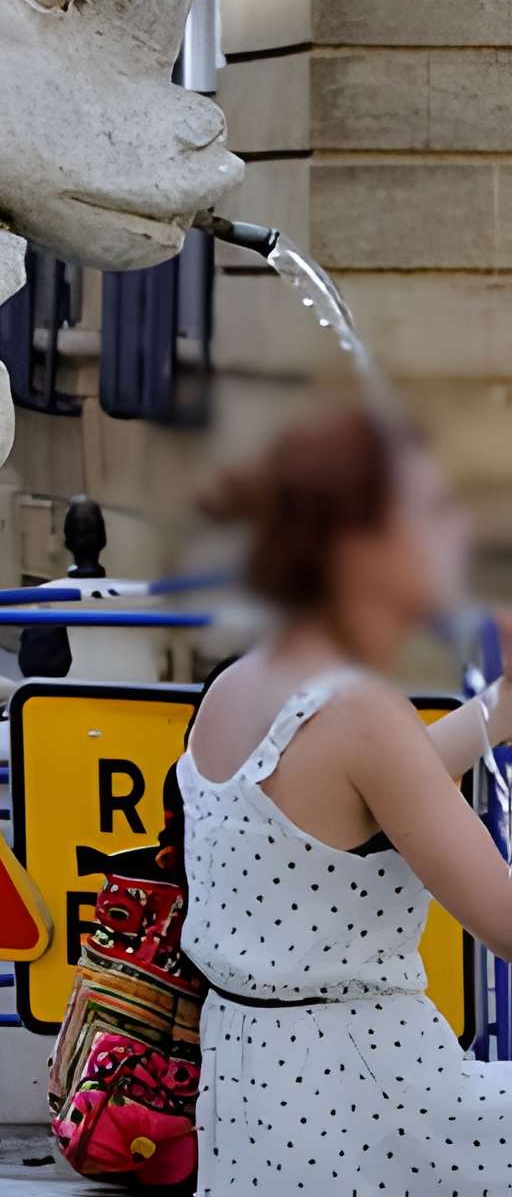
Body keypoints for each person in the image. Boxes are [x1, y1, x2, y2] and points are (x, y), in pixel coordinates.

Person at [177, 405, 512, 1193]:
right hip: (375, 1097)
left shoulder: (242, 683)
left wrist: (501, 706)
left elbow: (350, 812)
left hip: (263, 1096)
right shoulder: (361, 710)